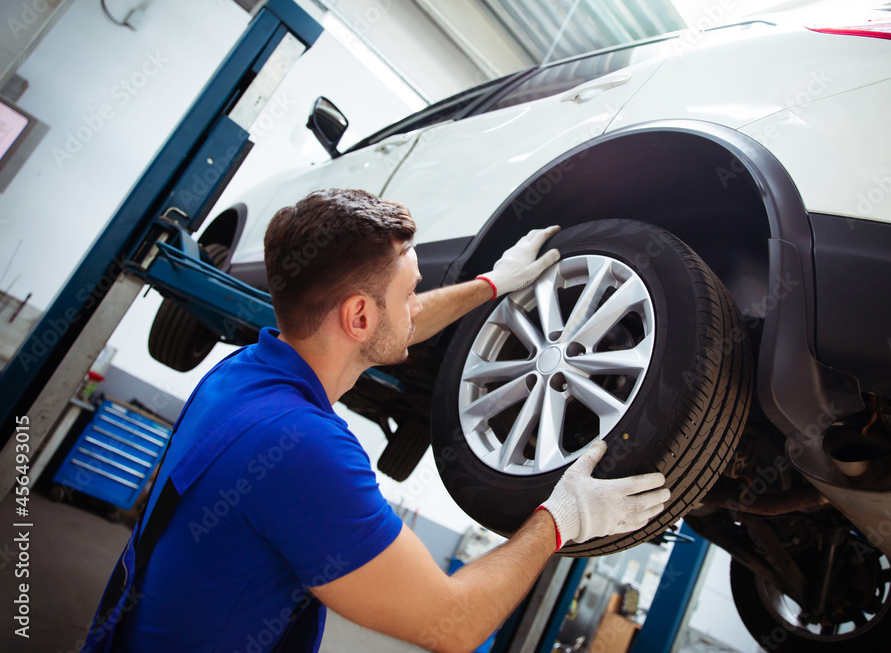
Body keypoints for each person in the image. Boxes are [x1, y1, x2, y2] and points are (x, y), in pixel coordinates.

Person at [85, 189, 672, 653]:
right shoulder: (303, 452)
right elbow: (454, 622)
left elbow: (400, 320)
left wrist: (494, 283)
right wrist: (563, 518)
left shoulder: (241, 376)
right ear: (360, 317)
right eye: (410, 290)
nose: (417, 302)